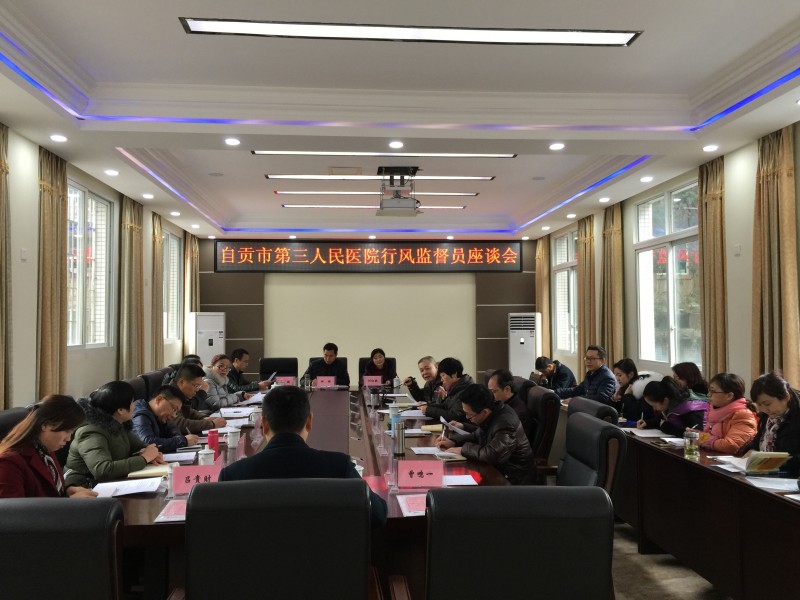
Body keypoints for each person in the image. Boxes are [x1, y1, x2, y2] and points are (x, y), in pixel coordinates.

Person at [219, 385, 387, 527]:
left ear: (264, 425)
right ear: (309, 421)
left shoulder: (232, 475)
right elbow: (378, 514)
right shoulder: (338, 467)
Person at [64, 381, 165, 488]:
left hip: (110, 483)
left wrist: (151, 454)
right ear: (120, 410)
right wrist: (144, 459)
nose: (134, 406)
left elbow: (141, 446)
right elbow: (103, 470)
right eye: (132, 402)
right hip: (84, 487)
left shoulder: (119, 424)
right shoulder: (91, 431)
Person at [0, 395, 97, 499]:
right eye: (66, 431)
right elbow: (12, 508)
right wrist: (69, 503)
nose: (68, 439)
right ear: (45, 425)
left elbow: (50, 490)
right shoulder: (9, 462)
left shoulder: (45, 450)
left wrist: (67, 490)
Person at [435, 384, 533, 485]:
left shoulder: (506, 423)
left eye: (469, 415)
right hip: (497, 471)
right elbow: (477, 435)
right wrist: (453, 441)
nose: (467, 418)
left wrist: (463, 449)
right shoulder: (493, 413)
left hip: (513, 480)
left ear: (484, 412)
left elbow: (492, 454)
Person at [739, 372, 800, 476]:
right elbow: (757, 441)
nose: (764, 409)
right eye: (759, 405)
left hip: (789, 478)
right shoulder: (768, 415)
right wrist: (752, 450)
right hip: (764, 474)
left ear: (786, 396)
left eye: (767, 404)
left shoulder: (796, 418)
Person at [699, 373, 757, 454]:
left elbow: (731, 445)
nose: (708, 395)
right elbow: (709, 436)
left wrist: (702, 439)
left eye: (713, 391)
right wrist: (696, 435)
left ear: (729, 396)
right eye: (709, 391)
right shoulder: (714, 411)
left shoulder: (743, 414)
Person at [637, 376, 707, 436]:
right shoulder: (671, 403)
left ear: (665, 400)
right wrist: (647, 423)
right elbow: (662, 420)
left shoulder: (691, 410)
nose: (654, 409)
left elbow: (695, 434)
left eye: (654, 405)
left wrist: (668, 428)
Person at [132, 386, 195, 453]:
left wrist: (178, 437)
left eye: (176, 412)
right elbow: (148, 443)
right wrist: (182, 441)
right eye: (174, 409)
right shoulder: (141, 414)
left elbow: (172, 428)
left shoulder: (160, 415)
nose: (174, 415)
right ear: (159, 399)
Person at [172, 364, 227, 434]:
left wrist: (204, 418)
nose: (197, 390)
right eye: (196, 386)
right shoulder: (169, 396)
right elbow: (180, 424)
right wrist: (211, 424)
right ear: (182, 382)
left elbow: (189, 411)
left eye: (199, 386)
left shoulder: (179, 393)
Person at [421, 357, 472, 423]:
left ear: (454, 374)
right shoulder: (455, 388)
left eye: (443, 375)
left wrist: (429, 410)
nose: (441, 379)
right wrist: (428, 405)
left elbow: (455, 416)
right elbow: (446, 406)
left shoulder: (466, 390)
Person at [611, 358, 662, 422]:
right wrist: (615, 400)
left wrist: (627, 396)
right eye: (615, 375)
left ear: (631, 375)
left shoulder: (641, 389)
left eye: (619, 375)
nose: (617, 379)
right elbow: (619, 412)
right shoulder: (622, 387)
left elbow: (638, 414)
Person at [488, 369, 532, 440]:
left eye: (494, 391)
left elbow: (506, 442)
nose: (491, 396)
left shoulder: (518, 413)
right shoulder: (502, 404)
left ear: (507, 389)